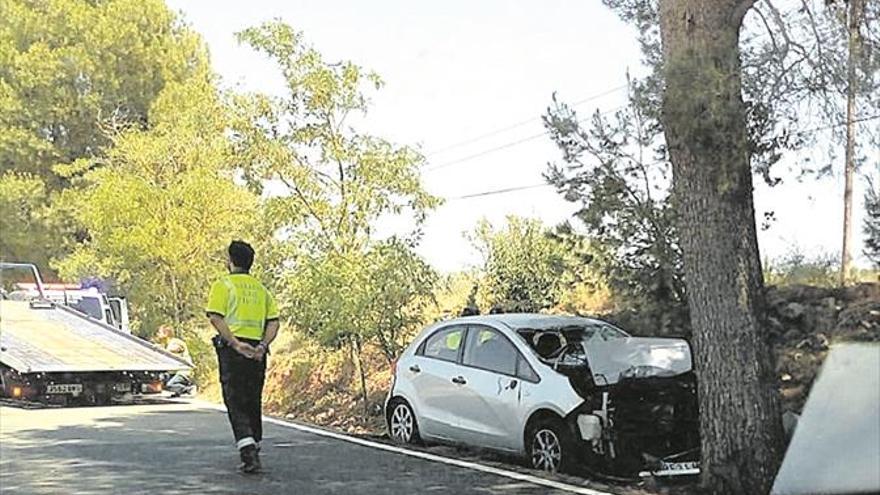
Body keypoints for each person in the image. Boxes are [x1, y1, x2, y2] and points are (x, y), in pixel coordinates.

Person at [206, 240, 280, 474]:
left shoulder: (223, 285)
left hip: (233, 351)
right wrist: (262, 346)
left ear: (231, 261)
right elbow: (273, 321)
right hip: (257, 352)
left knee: (235, 399)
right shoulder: (261, 289)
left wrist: (235, 344)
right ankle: (254, 444)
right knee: (252, 398)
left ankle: (248, 450)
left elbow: (216, 318)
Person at [155, 325, 194, 397]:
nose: (157, 334)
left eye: (159, 332)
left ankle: (188, 389)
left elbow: (175, 350)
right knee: (160, 381)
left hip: (183, 371)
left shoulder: (176, 342)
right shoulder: (167, 344)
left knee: (169, 385)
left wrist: (161, 350)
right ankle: (178, 391)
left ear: (166, 333)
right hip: (174, 371)